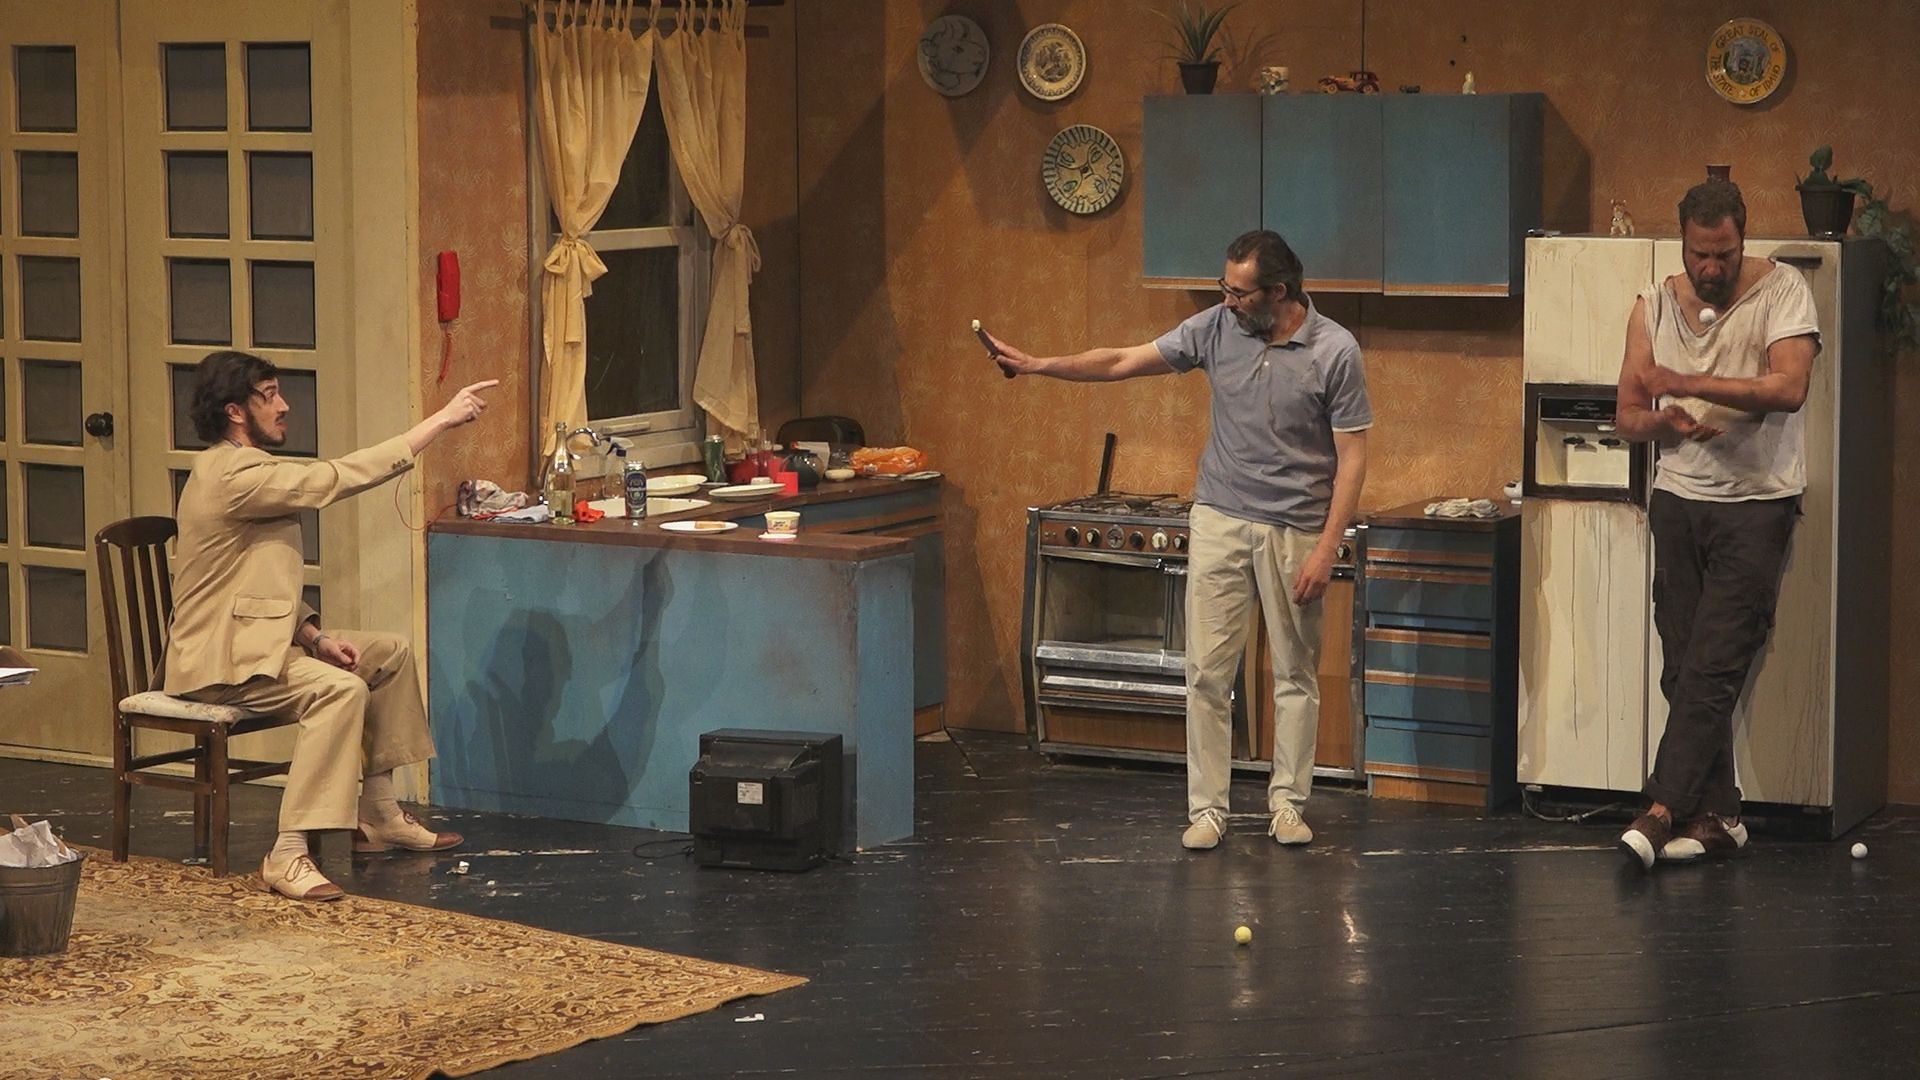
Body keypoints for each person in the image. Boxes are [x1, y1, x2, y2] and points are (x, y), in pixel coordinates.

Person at [986, 230, 1372, 850]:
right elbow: (1121, 360)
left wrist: (1328, 547)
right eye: (1225, 288)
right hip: (1220, 517)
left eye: (1239, 293)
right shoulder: (1215, 329)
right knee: (1207, 673)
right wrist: (1038, 365)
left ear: (1279, 291)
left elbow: (1352, 457)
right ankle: (1208, 809)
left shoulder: (1335, 350)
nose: (1227, 301)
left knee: (1295, 673)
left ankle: (1287, 804)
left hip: (1296, 528)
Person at [164, 350, 499, 900]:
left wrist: (314, 637)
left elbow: (249, 582)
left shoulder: (245, 468)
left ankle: (378, 813)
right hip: (219, 662)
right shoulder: (233, 473)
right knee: (340, 690)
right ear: (235, 411)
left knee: (388, 653)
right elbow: (333, 479)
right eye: (268, 395)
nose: (283, 405)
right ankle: (288, 851)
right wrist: (439, 422)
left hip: (257, 644)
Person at [1611, 179, 1820, 868]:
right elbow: (1628, 416)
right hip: (1678, 501)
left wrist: (1689, 382)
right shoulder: (1651, 305)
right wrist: (1665, 421)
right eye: (1700, 254)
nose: (1710, 268)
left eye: (1723, 254)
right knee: (1684, 667)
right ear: (1683, 243)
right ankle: (1722, 815)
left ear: (1742, 240)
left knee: (1715, 661)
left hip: (1756, 506)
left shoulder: (1784, 291)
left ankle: (1660, 809)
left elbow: (1788, 388)